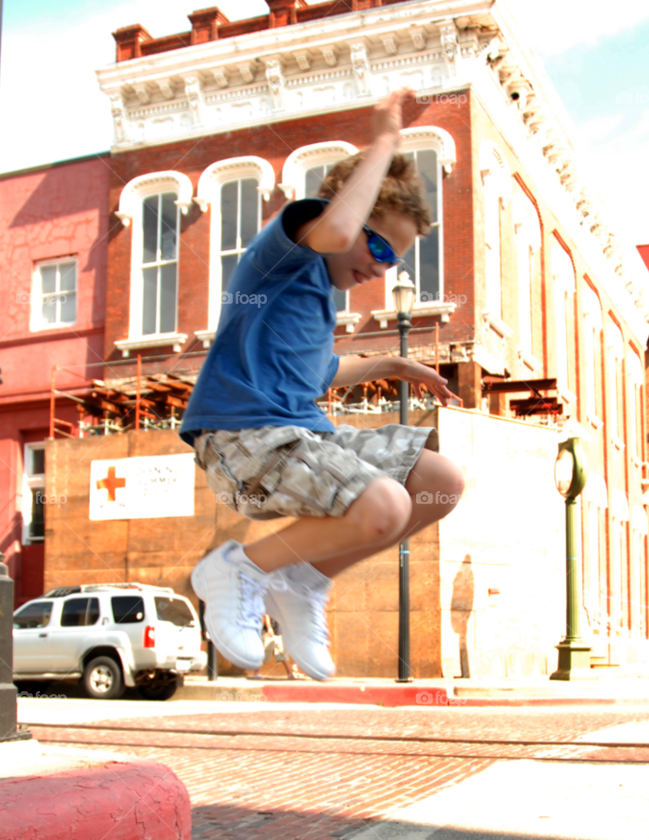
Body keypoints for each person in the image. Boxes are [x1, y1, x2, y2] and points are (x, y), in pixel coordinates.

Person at [182, 88, 465, 681]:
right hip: (244, 443)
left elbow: (322, 373)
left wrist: (396, 367)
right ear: (343, 210)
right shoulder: (283, 255)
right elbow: (336, 232)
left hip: (301, 437)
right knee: (384, 504)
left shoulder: (314, 305)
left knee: (440, 483)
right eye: (379, 244)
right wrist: (385, 140)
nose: (382, 267)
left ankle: (305, 578)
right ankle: (236, 570)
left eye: (396, 260)